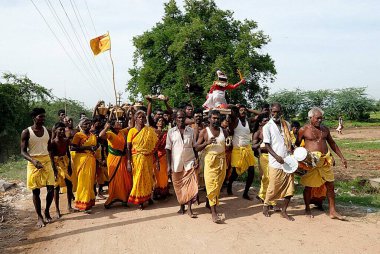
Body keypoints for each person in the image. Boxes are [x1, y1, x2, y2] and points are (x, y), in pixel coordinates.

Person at [296, 107, 348, 220]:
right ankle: (307, 208)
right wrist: (299, 160)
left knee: (330, 185)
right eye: (318, 118)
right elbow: (296, 145)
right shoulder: (303, 129)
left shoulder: (325, 129)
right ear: (311, 117)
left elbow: (332, 143)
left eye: (321, 118)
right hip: (311, 162)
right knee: (309, 187)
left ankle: (332, 211)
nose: (320, 120)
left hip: (324, 161)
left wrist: (342, 157)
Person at [21, 108, 55, 228]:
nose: (43, 119)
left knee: (51, 188)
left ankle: (46, 212)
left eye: (44, 117)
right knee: (36, 191)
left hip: (46, 161)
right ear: (34, 118)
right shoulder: (26, 132)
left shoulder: (48, 131)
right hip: (33, 162)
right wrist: (33, 160)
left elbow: (50, 149)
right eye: (40, 117)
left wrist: (53, 163)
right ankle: (39, 217)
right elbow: (23, 151)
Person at [262, 103, 295, 221]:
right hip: (276, 162)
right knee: (273, 186)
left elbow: (290, 141)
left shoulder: (287, 125)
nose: (275, 114)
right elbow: (267, 145)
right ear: (271, 111)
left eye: (277, 112)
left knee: (290, 188)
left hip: (288, 161)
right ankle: (266, 204)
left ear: (281, 112)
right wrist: (276, 157)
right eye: (273, 111)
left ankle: (284, 211)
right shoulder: (267, 127)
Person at [196, 110, 228, 223]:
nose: (216, 120)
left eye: (218, 118)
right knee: (211, 185)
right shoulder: (204, 132)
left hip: (222, 161)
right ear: (209, 119)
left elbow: (227, 145)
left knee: (218, 185)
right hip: (210, 161)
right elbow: (196, 147)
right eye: (214, 118)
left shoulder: (224, 131)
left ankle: (208, 202)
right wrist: (206, 143)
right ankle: (214, 212)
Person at [166, 110, 199, 218]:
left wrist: (197, 159)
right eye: (179, 117)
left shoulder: (190, 131)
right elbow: (168, 149)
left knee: (189, 186)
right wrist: (168, 165)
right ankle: (181, 207)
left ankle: (189, 209)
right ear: (175, 119)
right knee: (179, 187)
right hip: (176, 163)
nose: (181, 119)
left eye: (183, 117)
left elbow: (194, 147)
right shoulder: (171, 132)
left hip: (190, 161)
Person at [127, 110, 158, 210]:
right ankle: (140, 200)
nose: (142, 119)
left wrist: (156, 159)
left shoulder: (149, 131)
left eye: (143, 117)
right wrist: (128, 162)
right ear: (135, 119)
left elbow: (154, 144)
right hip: (137, 158)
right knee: (138, 178)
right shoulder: (131, 131)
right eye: (140, 117)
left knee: (148, 178)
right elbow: (128, 147)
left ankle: (148, 197)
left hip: (148, 158)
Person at [100, 120, 133, 209]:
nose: (120, 123)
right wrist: (106, 127)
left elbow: (131, 126)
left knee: (124, 179)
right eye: (117, 123)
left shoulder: (122, 132)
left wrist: (132, 112)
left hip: (123, 159)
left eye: (120, 122)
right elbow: (101, 135)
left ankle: (124, 199)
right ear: (113, 125)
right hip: (113, 160)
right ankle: (112, 199)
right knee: (114, 179)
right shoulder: (110, 133)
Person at [227, 104, 256, 200]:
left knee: (251, 172)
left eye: (244, 110)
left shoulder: (248, 121)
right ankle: (229, 184)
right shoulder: (235, 121)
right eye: (241, 110)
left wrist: (248, 109)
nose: (243, 111)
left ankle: (245, 193)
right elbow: (230, 111)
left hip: (247, 149)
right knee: (235, 173)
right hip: (237, 150)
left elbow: (262, 114)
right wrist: (233, 106)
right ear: (237, 113)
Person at [70, 118, 98, 213]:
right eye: (85, 123)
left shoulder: (92, 135)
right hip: (82, 160)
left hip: (91, 159)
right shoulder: (78, 135)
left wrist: (94, 148)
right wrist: (87, 147)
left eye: (89, 123)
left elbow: (95, 146)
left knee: (90, 181)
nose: (88, 125)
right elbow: (72, 147)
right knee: (83, 181)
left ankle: (89, 201)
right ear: (81, 125)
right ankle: (82, 203)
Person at [252, 112, 277, 208]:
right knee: (267, 177)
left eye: (268, 120)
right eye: (265, 121)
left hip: (274, 157)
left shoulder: (273, 130)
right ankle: (270, 201)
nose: (267, 122)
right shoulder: (258, 133)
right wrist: (261, 143)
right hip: (264, 157)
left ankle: (263, 196)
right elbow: (253, 146)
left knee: (272, 178)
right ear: (260, 123)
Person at [51, 122, 73, 217]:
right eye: (60, 129)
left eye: (63, 130)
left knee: (69, 183)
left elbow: (68, 153)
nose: (62, 131)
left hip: (64, 162)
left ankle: (69, 206)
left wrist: (69, 166)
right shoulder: (52, 142)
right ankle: (57, 210)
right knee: (56, 187)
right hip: (56, 164)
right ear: (55, 130)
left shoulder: (66, 140)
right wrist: (54, 169)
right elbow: (51, 156)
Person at [152, 116, 170, 200]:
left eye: (162, 121)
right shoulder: (154, 132)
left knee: (164, 175)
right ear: (156, 123)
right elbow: (154, 146)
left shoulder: (167, 132)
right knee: (157, 175)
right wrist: (157, 160)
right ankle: (156, 192)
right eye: (159, 121)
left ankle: (164, 191)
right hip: (157, 156)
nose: (161, 122)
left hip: (165, 155)